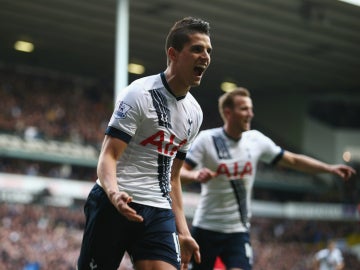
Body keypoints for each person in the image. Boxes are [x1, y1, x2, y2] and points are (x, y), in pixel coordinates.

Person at [77, 16, 212, 270]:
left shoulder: (195, 113)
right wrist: (115, 194)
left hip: (158, 210)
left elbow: (173, 177)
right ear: (173, 53)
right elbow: (108, 156)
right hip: (113, 204)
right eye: (196, 49)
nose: (205, 56)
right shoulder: (139, 94)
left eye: (208, 50)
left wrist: (183, 231)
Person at [180, 87, 356, 270]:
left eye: (251, 109)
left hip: (238, 231)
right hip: (207, 227)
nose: (250, 113)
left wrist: (328, 168)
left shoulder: (256, 140)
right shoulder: (207, 140)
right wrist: (195, 175)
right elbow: (179, 174)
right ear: (228, 112)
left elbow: (293, 160)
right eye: (244, 109)